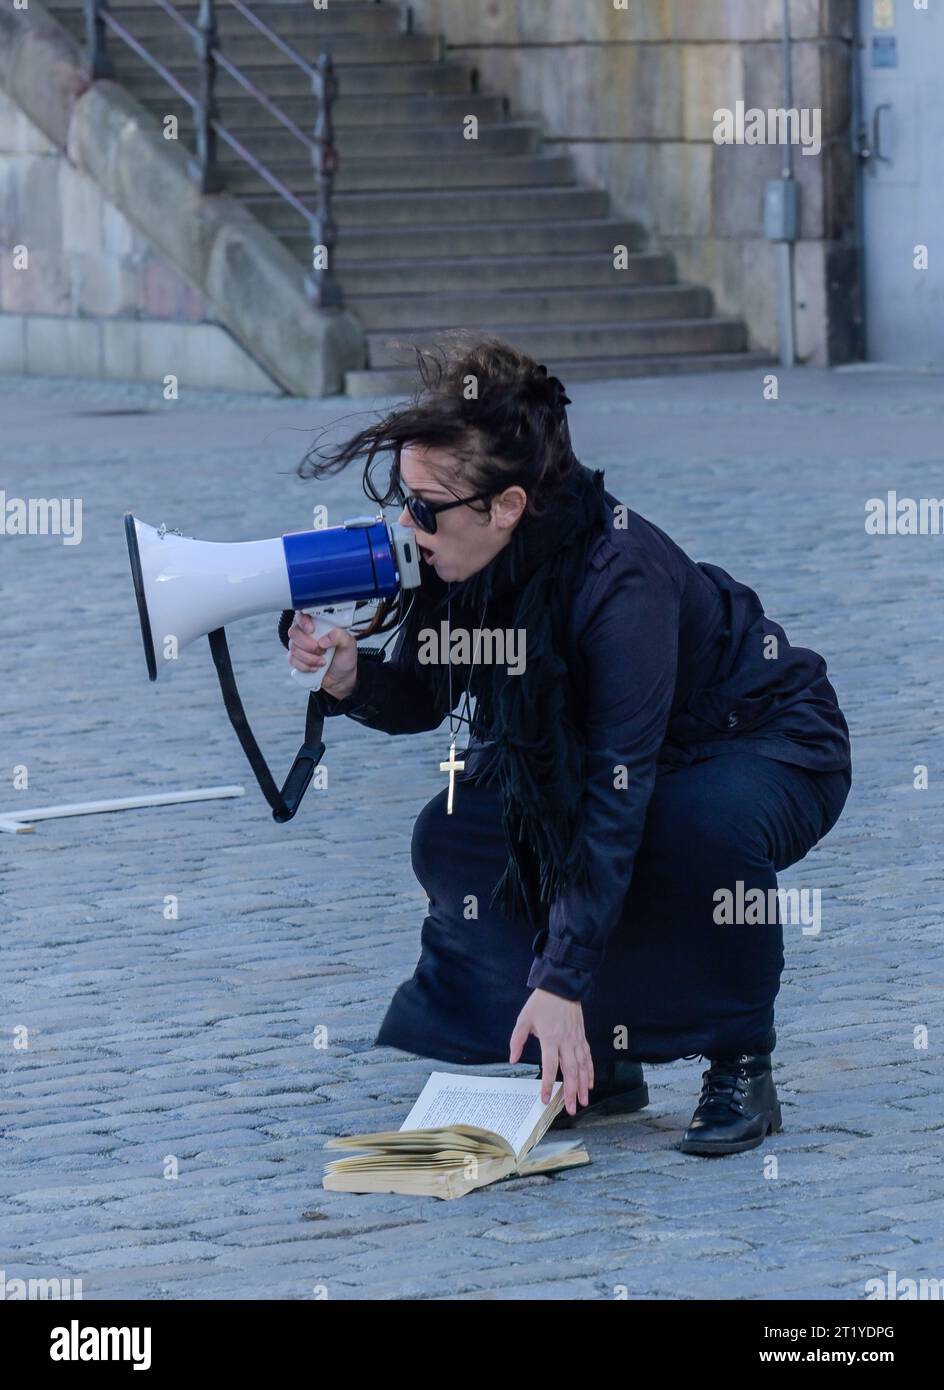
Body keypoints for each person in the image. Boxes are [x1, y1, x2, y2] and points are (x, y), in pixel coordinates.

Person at [278, 337, 852, 1156]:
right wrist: (347, 676)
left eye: (427, 508)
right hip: (634, 758)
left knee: (690, 827)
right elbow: (424, 691)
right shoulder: (468, 558)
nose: (408, 526)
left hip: (764, 739)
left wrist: (560, 978)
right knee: (459, 831)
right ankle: (600, 1057)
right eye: (404, 500)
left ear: (506, 505)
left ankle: (740, 1060)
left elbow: (615, 796)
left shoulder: (621, 579)